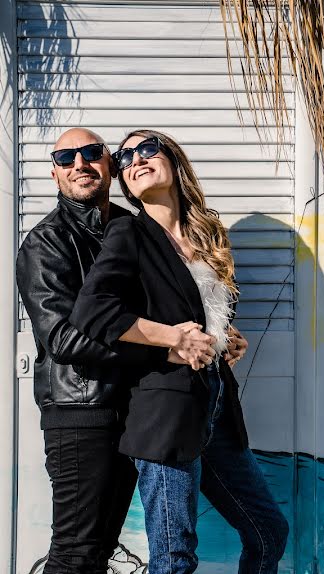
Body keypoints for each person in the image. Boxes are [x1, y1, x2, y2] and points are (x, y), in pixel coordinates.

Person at [70, 129, 289, 574]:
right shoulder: (127, 233)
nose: (135, 159)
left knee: (268, 532)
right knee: (174, 559)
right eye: (124, 156)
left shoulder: (209, 234)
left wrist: (226, 336)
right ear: (125, 182)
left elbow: (201, 309)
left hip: (217, 407)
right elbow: (92, 311)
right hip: (165, 413)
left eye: (147, 148)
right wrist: (173, 338)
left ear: (174, 160)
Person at [15, 128, 216, 573]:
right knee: (75, 551)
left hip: (131, 410)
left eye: (90, 153)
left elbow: (160, 307)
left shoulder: (130, 227)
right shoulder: (46, 242)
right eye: (66, 158)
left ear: (108, 165)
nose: (79, 164)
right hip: (80, 413)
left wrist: (215, 334)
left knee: (100, 550)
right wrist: (163, 350)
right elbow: (64, 340)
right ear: (55, 173)